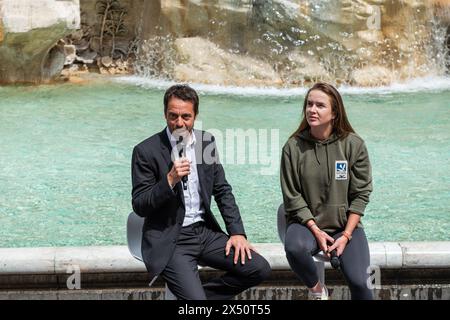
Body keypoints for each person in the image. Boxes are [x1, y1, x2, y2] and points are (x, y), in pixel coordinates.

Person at [131, 84, 271, 300]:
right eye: (173, 116)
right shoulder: (145, 151)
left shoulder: (206, 142)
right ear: (164, 114)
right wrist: (169, 180)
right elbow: (140, 205)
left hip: (205, 234)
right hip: (171, 239)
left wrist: (237, 233)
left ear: (195, 115)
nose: (179, 123)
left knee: (259, 268)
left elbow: (222, 191)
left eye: (186, 116)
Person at [280, 82, 373, 300]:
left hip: (344, 226)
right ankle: (319, 292)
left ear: (334, 113)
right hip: (305, 225)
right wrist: (314, 229)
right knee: (294, 248)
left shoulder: (354, 145)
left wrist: (347, 235)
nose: (312, 110)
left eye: (320, 105)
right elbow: (292, 196)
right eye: (309, 104)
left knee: (361, 283)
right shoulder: (292, 147)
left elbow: (361, 194)